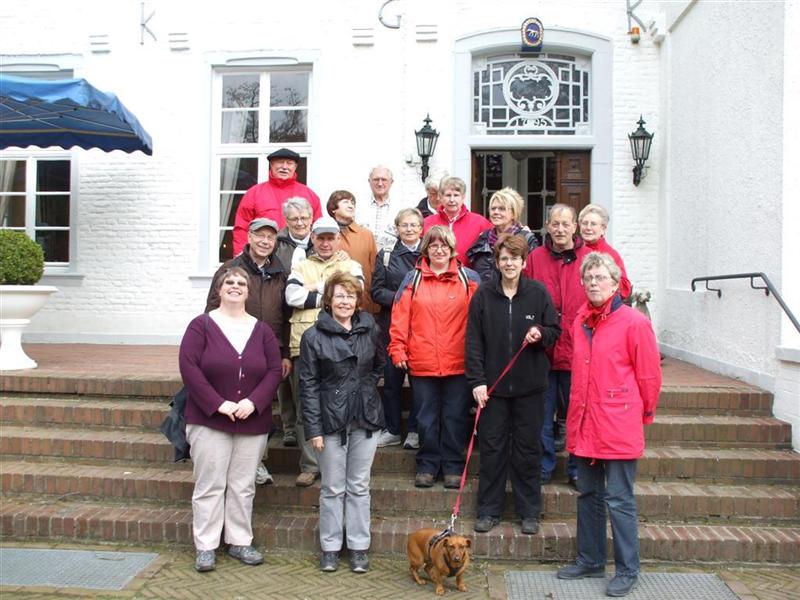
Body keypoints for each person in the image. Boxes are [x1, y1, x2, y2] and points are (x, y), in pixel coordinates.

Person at [557, 252, 661, 598]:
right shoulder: (580, 320)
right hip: (586, 421)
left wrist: (644, 414)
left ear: (616, 284)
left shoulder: (634, 322)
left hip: (618, 422)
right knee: (588, 494)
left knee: (619, 499)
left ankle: (628, 569)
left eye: (600, 277)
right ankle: (590, 559)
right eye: (588, 278)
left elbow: (649, 375)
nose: (593, 283)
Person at [179, 266, 282, 573]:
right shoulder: (201, 326)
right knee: (210, 484)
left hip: (252, 421)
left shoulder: (262, 331)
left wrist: (253, 402)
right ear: (219, 290)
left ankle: (239, 541)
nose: (235, 286)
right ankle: (206, 545)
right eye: (229, 282)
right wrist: (218, 403)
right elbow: (189, 367)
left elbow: (274, 371)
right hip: (209, 420)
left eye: (241, 283)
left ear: (248, 292)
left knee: (242, 485)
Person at [465, 234, 560, 535]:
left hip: (530, 389)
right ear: (497, 262)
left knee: (527, 450)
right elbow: (473, 342)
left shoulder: (537, 293)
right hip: (492, 391)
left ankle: (529, 511)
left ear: (523, 262)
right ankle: (488, 510)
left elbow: (554, 330)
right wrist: (477, 381)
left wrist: (540, 333)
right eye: (504, 258)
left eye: (514, 259)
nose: (509, 264)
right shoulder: (483, 295)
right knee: (492, 450)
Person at [299, 272, 385, 574]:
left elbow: (379, 365)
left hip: (365, 417)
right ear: (328, 300)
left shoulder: (370, 329)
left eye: (350, 296)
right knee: (333, 488)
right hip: (330, 421)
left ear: (357, 300)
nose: (345, 301)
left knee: (359, 486)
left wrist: (364, 389)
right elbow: (308, 386)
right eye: (339, 296)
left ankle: (359, 547)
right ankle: (331, 547)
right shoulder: (313, 337)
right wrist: (314, 429)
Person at [388, 225, 480, 489]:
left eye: (444, 246)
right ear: (426, 249)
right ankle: (427, 465)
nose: (439, 250)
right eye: (433, 246)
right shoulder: (412, 279)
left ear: (452, 249)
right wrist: (397, 349)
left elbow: (480, 320)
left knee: (455, 417)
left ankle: (453, 466)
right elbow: (400, 317)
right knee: (426, 418)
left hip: (459, 361)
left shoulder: (469, 279)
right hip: (422, 361)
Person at [206, 217, 290, 485]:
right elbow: (211, 309)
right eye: (260, 236)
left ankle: (255, 462)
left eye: (270, 237)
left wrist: (285, 353)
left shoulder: (280, 271)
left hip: (271, 347)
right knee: (237, 398)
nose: (265, 241)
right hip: (236, 347)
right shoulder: (231, 269)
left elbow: (286, 315)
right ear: (249, 237)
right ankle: (231, 460)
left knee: (261, 404)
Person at [285, 216, 364, 487]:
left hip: (342, 346)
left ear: (338, 239)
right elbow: (291, 296)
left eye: (331, 238)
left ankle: (335, 462)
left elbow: (357, 291)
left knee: (339, 403)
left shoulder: (350, 265)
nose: (326, 243)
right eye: (321, 238)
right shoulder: (301, 266)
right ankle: (310, 465)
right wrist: (330, 291)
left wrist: (313, 289)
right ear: (313, 239)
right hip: (302, 344)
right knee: (305, 406)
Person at [525, 203, 589, 489]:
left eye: (566, 224)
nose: (560, 229)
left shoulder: (589, 259)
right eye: (555, 223)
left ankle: (577, 468)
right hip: (543, 352)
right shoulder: (535, 258)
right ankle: (543, 465)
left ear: (575, 226)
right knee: (541, 414)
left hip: (578, 351)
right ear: (548, 226)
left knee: (577, 413)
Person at [371, 207, 424, 449]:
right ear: (397, 228)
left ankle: (414, 430)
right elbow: (376, 291)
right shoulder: (386, 255)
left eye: (414, 225)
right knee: (392, 382)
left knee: (419, 384)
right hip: (392, 327)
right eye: (405, 225)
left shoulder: (430, 253)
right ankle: (391, 429)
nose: (409, 229)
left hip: (423, 328)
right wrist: (404, 299)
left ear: (421, 228)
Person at [273, 197, 315, 447]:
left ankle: (304, 424)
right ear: (286, 221)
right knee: (284, 367)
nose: (300, 223)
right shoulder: (277, 244)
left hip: (307, 312)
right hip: (281, 310)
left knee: (301, 371)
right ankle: (289, 425)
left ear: (311, 218)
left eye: (304, 218)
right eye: (294, 219)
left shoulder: (319, 241)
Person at [232, 148, 322, 255]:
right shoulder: (254, 194)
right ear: (271, 165)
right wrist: (242, 255)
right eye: (280, 162)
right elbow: (241, 228)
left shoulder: (309, 195)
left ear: (295, 167)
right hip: (264, 255)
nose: (284, 167)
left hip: (302, 256)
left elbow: (318, 228)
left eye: (289, 163)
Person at [466, 187, 538, 283]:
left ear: (513, 214)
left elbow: (533, 274)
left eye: (502, 209)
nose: (496, 212)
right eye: (493, 208)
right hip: (484, 291)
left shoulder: (526, 240)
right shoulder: (483, 239)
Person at [327, 190, 379, 314]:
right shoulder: (324, 235)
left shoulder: (366, 235)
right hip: (333, 304)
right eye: (345, 202)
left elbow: (375, 271)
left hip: (364, 303)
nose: (351, 205)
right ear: (333, 209)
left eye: (352, 203)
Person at [423, 176, 491, 268]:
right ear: (441, 197)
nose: (452, 200)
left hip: (468, 275)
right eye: (448, 195)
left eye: (456, 195)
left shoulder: (480, 223)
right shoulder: (427, 223)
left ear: (463, 197)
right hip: (434, 275)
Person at [578, 204, 632, 300]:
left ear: (603, 229)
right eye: (585, 223)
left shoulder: (611, 254)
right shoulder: (574, 251)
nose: (588, 227)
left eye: (593, 224)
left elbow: (625, 289)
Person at [355, 165, 404, 252]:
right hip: (361, 254)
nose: (380, 184)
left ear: (391, 182)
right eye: (376, 179)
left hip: (391, 256)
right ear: (369, 181)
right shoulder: (357, 205)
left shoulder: (401, 208)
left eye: (384, 180)